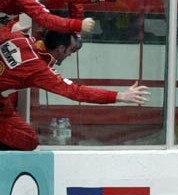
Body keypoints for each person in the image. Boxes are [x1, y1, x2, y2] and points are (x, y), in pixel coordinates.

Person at [0, 30, 149, 150]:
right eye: (71, 50)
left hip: (3, 103)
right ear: (60, 49)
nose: (70, 54)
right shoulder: (39, 69)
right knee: (29, 140)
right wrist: (120, 96)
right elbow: (76, 92)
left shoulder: (20, 37)